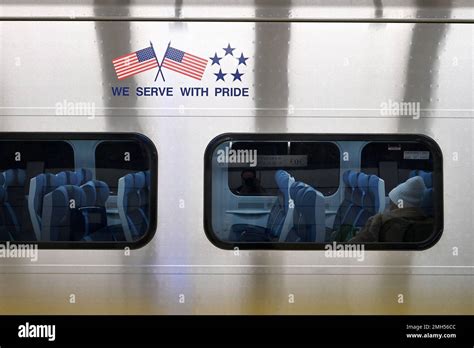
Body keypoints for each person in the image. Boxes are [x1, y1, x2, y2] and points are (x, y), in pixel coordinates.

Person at [350, 176, 429, 243]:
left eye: (392, 202)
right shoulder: (430, 224)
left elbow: (354, 245)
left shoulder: (379, 221)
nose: (390, 206)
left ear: (399, 204)